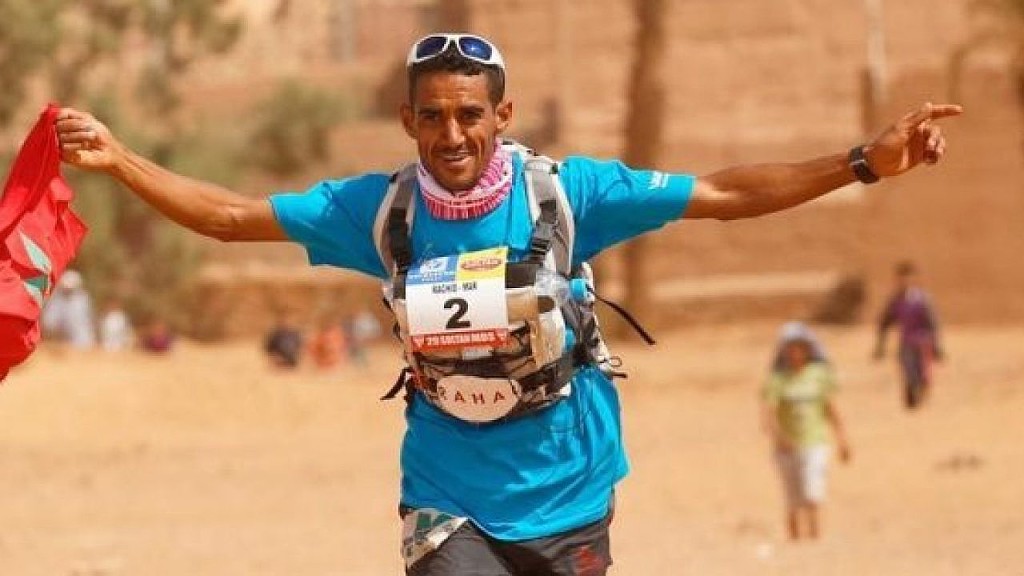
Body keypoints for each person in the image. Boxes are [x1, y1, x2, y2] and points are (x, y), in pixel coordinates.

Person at [56, 32, 960, 575]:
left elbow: (723, 194)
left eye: (470, 115)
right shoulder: (378, 212)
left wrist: (859, 164)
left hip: (573, 486)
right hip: (446, 492)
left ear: (503, 114)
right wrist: (121, 160)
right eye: (433, 116)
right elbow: (229, 217)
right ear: (408, 121)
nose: (452, 134)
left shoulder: (570, 195)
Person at [762, 321, 851, 541]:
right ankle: (795, 540)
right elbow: (768, 415)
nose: (795, 353)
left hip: (814, 442)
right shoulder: (777, 380)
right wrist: (779, 437)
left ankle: (815, 537)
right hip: (787, 447)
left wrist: (842, 438)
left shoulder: (818, 376)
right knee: (792, 497)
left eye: (800, 348)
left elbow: (830, 408)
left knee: (813, 492)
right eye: (791, 348)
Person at [874, 260, 944, 409]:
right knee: (908, 369)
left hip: (923, 341)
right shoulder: (895, 300)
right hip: (906, 342)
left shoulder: (922, 299)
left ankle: (921, 390)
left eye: (907, 278)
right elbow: (885, 322)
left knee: (924, 373)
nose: (904, 281)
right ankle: (912, 391)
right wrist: (880, 345)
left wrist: (937, 345)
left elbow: (933, 322)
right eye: (901, 278)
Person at [40, 269, 96, 349]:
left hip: (83, 342)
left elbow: (88, 320)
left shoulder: (82, 300)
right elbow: (49, 322)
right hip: (63, 344)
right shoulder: (57, 301)